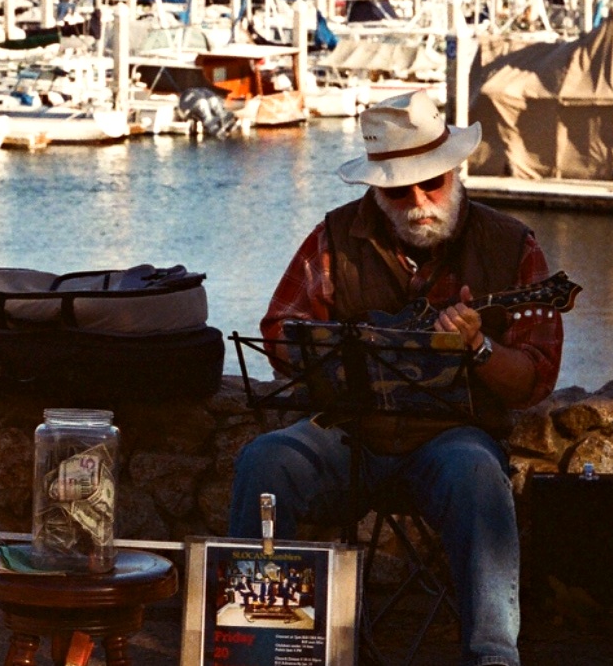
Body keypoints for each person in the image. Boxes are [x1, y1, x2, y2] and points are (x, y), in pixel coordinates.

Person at [228, 90, 563, 666]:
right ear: (374, 189)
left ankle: (492, 657)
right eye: (396, 190)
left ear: (454, 170)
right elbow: (283, 327)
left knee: (480, 476)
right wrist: (337, 351)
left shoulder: (511, 246)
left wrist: (479, 347)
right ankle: (259, 649)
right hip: (346, 436)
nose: (417, 202)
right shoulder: (335, 237)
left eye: (430, 184)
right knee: (265, 461)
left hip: (451, 442)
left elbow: (536, 376)